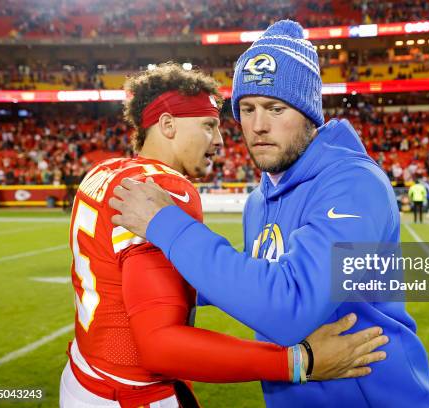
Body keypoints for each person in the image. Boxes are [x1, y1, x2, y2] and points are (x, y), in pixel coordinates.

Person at [110, 20, 429, 407]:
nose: (258, 126)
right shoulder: (259, 199)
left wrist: (170, 228)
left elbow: (290, 306)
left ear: (308, 112)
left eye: (275, 108)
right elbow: (257, 275)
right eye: (247, 109)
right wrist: (149, 275)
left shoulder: (354, 183)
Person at [60, 62, 388, 408]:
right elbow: (160, 346)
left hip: (83, 376)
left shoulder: (104, 172)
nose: (219, 140)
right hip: (133, 393)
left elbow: (135, 280)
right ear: (168, 125)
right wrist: (298, 361)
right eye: (208, 126)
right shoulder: (165, 186)